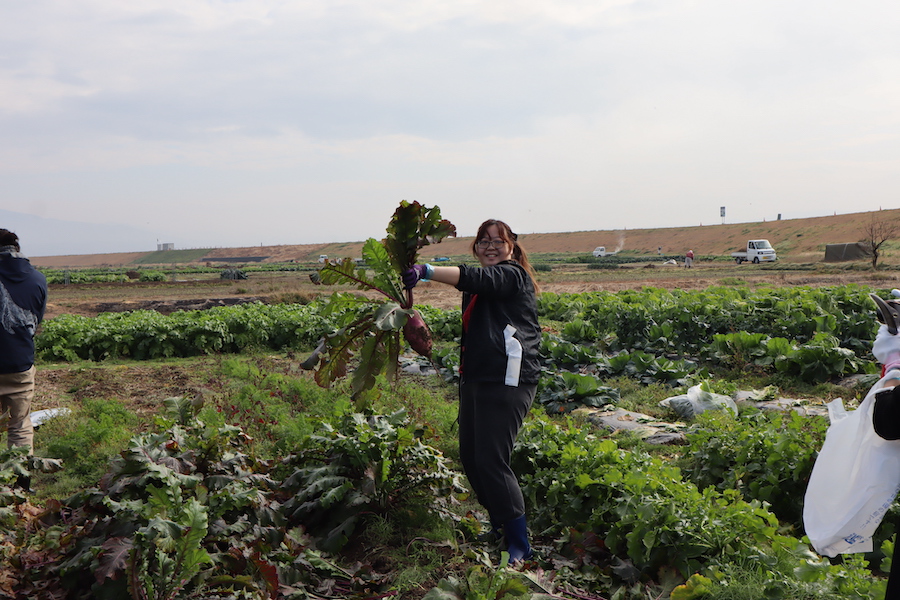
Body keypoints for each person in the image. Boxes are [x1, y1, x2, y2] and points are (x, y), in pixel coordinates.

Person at [402, 219, 541, 563]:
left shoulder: (512, 275)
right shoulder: (478, 285)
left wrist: (428, 270)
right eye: (483, 241)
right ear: (476, 247)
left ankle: (519, 543)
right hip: (477, 377)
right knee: (471, 457)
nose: (490, 247)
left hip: (509, 378)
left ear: (512, 247)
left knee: (492, 460)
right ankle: (499, 525)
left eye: (498, 241)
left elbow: (479, 277)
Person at [0, 229, 48, 460]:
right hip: (19, 364)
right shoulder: (37, 279)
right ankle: (19, 483)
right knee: (19, 425)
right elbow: (35, 321)